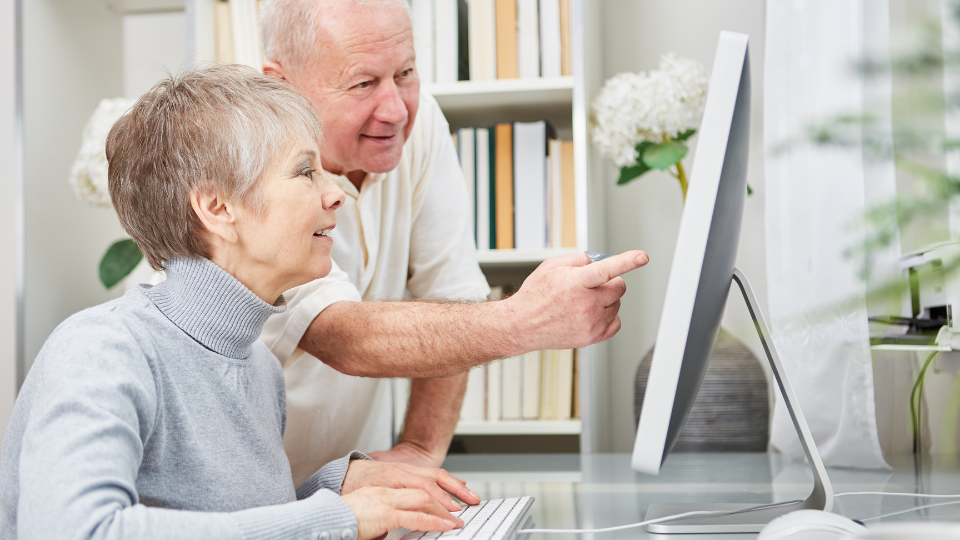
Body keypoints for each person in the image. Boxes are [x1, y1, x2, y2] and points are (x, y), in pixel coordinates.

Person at [0, 64, 480, 540]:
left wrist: (335, 488)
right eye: (305, 171)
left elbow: (226, 518)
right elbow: (74, 530)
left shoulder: (258, 367)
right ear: (217, 208)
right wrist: (338, 519)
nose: (336, 194)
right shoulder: (103, 349)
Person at [258, 0, 649, 486]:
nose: (397, 109)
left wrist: (420, 450)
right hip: (251, 501)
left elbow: (453, 294)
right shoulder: (248, 168)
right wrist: (525, 320)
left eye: (405, 72)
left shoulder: (417, 128)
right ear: (280, 85)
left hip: (352, 491)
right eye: (362, 83)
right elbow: (345, 337)